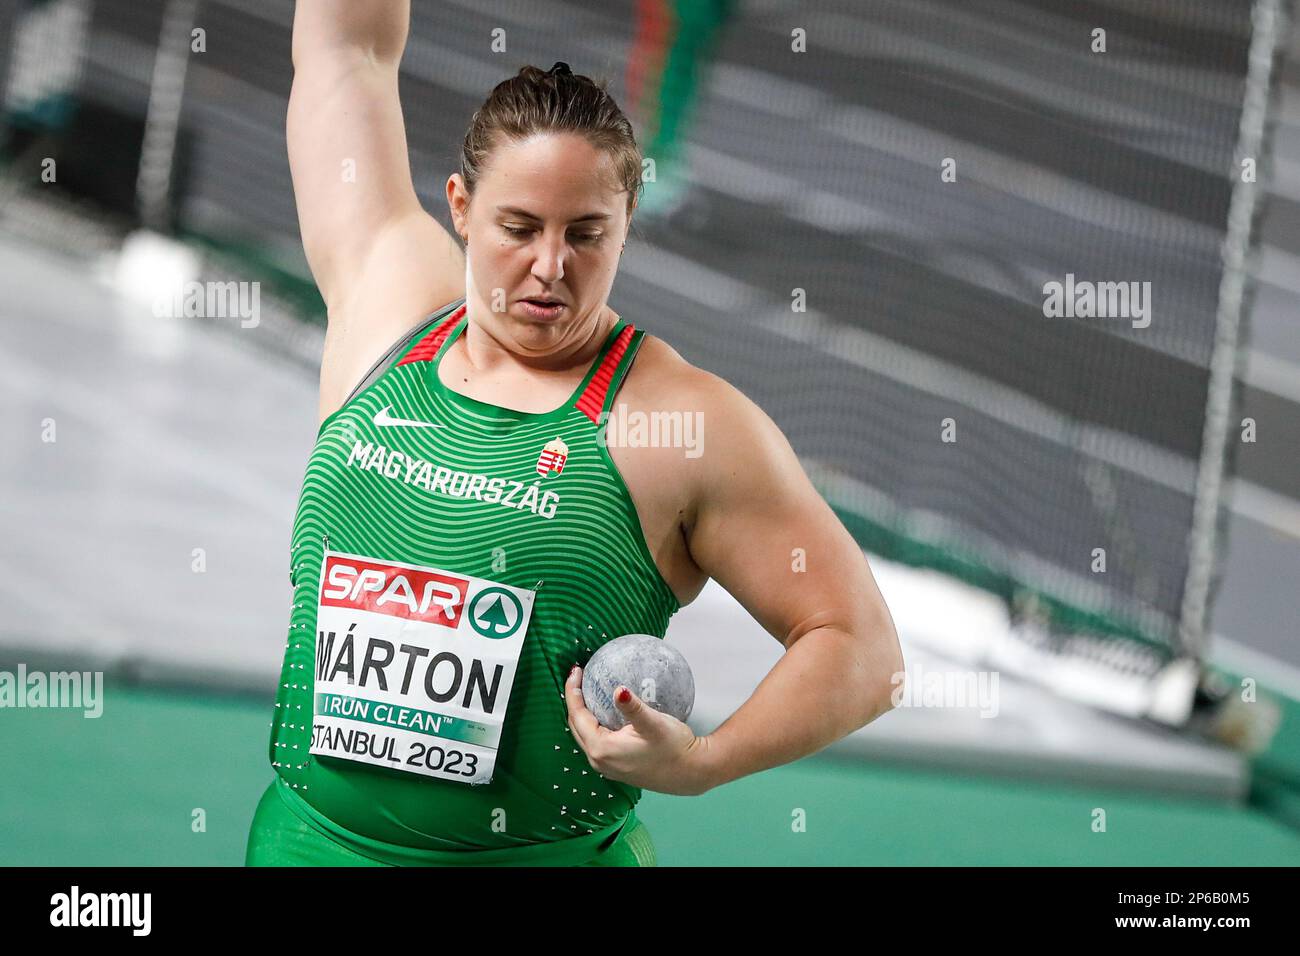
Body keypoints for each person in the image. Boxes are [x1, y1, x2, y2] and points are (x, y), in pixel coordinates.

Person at [244, 0, 902, 867]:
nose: (550, 266)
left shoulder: (679, 425)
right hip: (305, 848)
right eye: (519, 229)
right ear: (461, 207)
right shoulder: (388, 308)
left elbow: (862, 649)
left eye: (586, 234)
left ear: (627, 223)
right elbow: (345, 50)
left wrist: (703, 762)